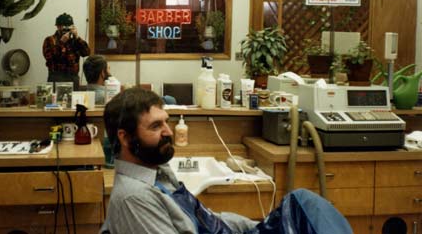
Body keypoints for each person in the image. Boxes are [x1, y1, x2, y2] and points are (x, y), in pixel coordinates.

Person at [101, 87, 353, 234]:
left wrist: (252, 226)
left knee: (302, 202)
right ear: (125, 137)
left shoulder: (158, 171)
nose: (168, 131)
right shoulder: (134, 199)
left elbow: (205, 217)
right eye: (156, 126)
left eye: (166, 121)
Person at [42, 13, 90, 89]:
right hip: (56, 77)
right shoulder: (50, 40)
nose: (66, 30)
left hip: (73, 77)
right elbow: (50, 58)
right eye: (63, 26)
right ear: (57, 26)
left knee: (75, 100)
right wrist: (61, 42)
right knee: (56, 100)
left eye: (68, 27)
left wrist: (77, 37)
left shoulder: (75, 41)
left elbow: (86, 52)